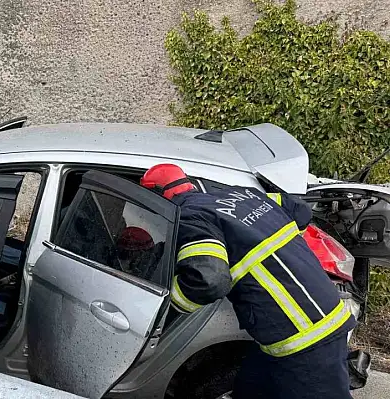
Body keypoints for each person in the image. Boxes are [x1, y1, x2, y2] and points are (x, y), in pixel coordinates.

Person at [139, 163, 355, 399]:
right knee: (247, 389)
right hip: (291, 332)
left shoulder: (191, 217)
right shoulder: (241, 195)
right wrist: (288, 249)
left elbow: (209, 281)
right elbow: (300, 209)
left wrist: (164, 309)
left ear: (158, 196)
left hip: (307, 339)